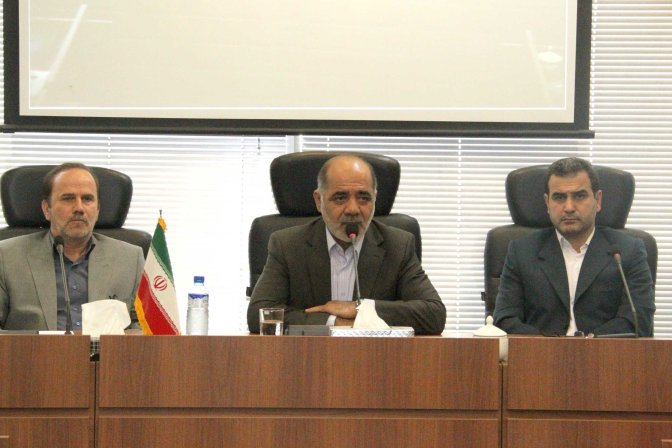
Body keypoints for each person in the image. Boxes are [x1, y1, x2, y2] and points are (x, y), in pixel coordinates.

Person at [247, 154, 446, 335]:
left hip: (376, 358)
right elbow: (260, 314)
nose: (353, 209)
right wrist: (337, 322)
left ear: (375, 199)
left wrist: (361, 309)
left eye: (364, 197)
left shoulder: (398, 245)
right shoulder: (288, 245)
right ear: (319, 200)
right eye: (340, 197)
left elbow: (434, 315)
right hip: (306, 357)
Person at [493, 157, 655, 336]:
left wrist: (587, 344)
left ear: (598, 200)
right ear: (547, 203)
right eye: (559, 197)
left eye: (579, 196)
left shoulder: (628, 251)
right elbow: (505, 320)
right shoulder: (521, 252)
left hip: (605, 352)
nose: (569, 207)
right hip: (539, 352)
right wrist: (551, 346)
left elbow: (638, 321)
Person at [0, 163, 144, 331]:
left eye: (87, 199)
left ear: (98, 209)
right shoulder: (6, 257)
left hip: (106, 349)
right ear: (47, 209)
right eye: (68, 198)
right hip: (31, 349)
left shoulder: (130, 259)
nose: (79, 208)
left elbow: (147, 330)